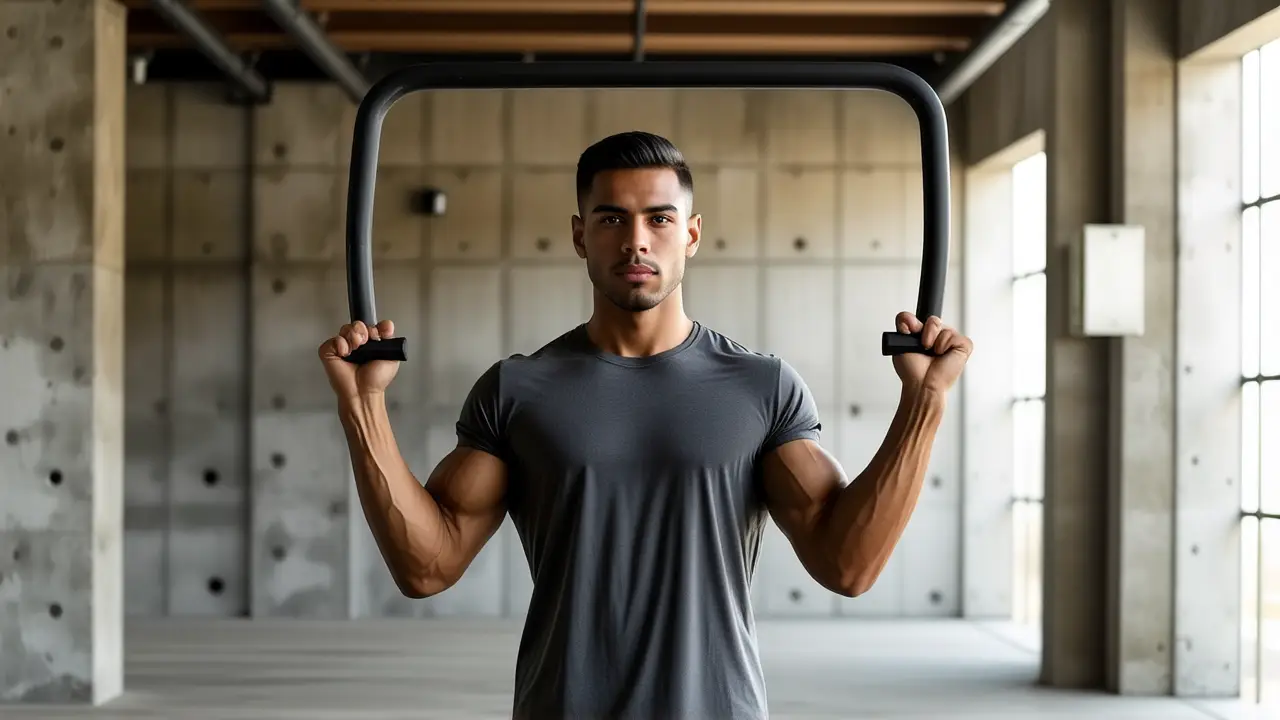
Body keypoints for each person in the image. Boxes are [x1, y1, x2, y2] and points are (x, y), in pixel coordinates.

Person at [318, 131, 973, 720]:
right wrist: (362, 406)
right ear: (580, 235)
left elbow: (847, 566)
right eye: (612, 219)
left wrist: (925, 402)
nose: (636, 240)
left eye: (660, 218)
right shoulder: (517, 391)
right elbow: (426, 568)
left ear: (691, 234)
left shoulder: (762, 387)